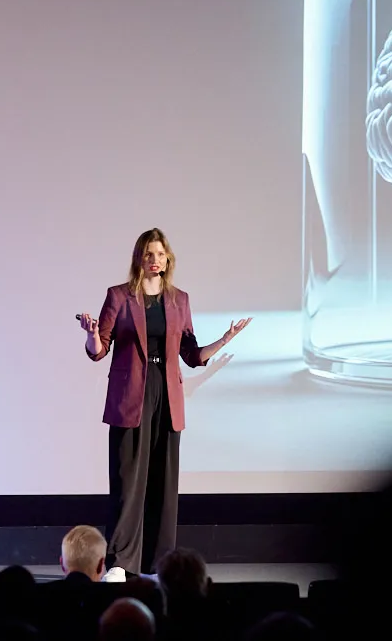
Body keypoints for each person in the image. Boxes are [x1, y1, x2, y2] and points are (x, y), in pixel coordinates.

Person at [78, 228, 251, 581]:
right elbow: (100, 351)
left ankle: (159, 564)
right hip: (131, 396)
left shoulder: (179, 300)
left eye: (160, 254)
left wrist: (225, 339)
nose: (154, 259)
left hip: (166, 395)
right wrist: (91, 334)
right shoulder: (119, 297)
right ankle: (120, 563)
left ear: (168, 258)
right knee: (128, 482)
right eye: (148, 253)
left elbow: (190, 353)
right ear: (138, 258)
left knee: (163, 483)